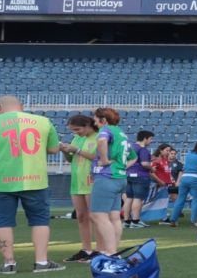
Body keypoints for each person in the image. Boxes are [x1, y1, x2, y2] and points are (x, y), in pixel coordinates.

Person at [0, 95, 67, 275]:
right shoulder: (43, 121)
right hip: (35, 180)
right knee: (40, 220)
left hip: (1, 180)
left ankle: (9, 263)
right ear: (22, 106)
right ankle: (41, 262)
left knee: (3, 221)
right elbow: (54, 149)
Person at [87, 106, 131, 258]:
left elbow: (102, 140)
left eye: (96, 120)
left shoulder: (106, 130)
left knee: (98, 216)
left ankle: (111, 252)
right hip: (119, 178)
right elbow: (133, 157)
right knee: (114, 217)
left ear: (103, 120)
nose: (95, 123)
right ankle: (113, 250)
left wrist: (105, 160)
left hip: (107, 177)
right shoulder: (121, 133)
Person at [64, 113, 100, 262]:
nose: (75, 133)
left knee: (96, 217)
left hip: (92, 180)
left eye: (77, 129)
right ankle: (86, 249)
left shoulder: (99, 137)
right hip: (76, 181)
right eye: (73, 130)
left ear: (87, 125)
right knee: (81, 217)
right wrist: (65, 151)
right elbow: (71, 159)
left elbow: (98, 158)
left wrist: (77, 150)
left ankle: (101, 250)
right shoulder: (77, 138)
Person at [122, 130, 155, 229]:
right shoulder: (142, 149)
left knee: (129, 198)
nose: (151, 141)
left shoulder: (130, 147)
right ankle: (135, 221)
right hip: (140, 176)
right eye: (150, 139)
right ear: (145, 138)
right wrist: (152, 168)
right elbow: (144, 163)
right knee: (138, 198)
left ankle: (126, 221)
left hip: (128, 175)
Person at [170, 140, 197, 231]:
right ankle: (194, 220)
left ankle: (173, 219)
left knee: (180, 199)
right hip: (196, 178)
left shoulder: (189, 153)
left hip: (185, 177)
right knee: (196, 199)